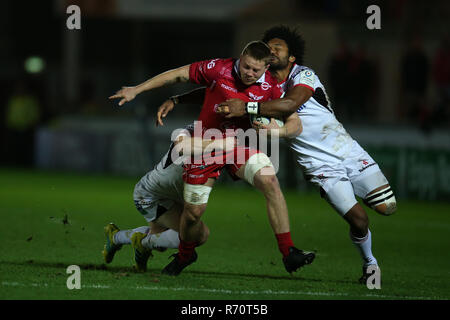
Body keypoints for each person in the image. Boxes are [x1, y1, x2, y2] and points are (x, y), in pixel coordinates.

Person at [174, 26, 396, 283]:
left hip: (348, 151)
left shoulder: (303, 75)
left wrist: (248, 108)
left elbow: (289, 104)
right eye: (267, 46)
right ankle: (370, 263)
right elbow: (216, 92)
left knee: (387, 207)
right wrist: (177, 100)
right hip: (318, 165)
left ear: (292, 57)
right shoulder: (260, 82)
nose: (271, 49)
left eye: (277, 47)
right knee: (359, 220)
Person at [109, 41, 315, 276]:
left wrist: (275, 131)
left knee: (270, 181)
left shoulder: (271, 86)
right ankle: (184, 256)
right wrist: (138, 89)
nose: (249, 73)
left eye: (255, 70)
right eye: (246, 66)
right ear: (241, 57)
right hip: (205, 145)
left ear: (266, 68)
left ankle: (288, 252)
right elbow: (177, 75)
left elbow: (294, 122)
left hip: (236, 145)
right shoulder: (218, 69)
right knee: (194, 213)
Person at [102, 130, 235, 272]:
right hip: (150, 196)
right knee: (198, 235)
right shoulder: (191, 132)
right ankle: (142, 243)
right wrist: (220, 144)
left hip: (166, 195)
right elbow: (182, 145)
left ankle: (116, 237)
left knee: (160, 240)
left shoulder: (225, 139)